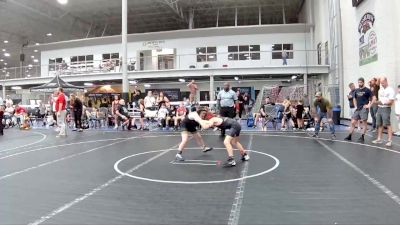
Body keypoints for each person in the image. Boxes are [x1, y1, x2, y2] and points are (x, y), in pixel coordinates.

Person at [344, 78, 372, 142]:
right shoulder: (356, 90)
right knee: (353, 122)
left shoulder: (367, 90)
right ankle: (350, 135)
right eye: (359, 82)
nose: (359, 84)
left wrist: (369, 105)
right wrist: (355, 106)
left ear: (363, 82)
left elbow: (373, 98)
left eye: (361, 82)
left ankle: (362, 136)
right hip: (358, 108)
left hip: (364, 108)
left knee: (364, 123)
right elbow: (354, 98)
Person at [372, 77, 395, 147]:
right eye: (381, 83)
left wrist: (383, 103)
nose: (382, 84)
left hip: (386, 108)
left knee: (387, 124)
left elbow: (391, 101)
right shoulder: (380, 90)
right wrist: (377, 102)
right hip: (380, 108)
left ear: (386, 81)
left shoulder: (390, 90)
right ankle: (379, 139)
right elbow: (380, 99)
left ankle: (390, 140)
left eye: (383, 83)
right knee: (379, 124)